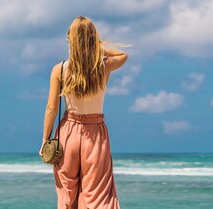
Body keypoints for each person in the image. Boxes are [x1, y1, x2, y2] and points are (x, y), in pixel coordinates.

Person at [40, 16, 128, 209]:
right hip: (95, 134)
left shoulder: (60, 69)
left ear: (70, 39)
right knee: (97, 196)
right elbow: (122, 55)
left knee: (66, 194)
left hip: (67, 134)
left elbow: (51, 108)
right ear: (93, 39)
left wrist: (45, 139)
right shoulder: (103, 66)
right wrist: (95, 48)